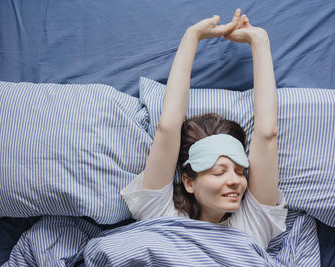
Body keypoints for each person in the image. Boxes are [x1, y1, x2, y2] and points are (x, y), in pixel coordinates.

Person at [121, 8, 288, 250]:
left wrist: (260, 41)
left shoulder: (253, 224)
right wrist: (192, 36)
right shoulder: (161, 214)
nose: (235, 181)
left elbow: (267, 134)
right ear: (189, 182)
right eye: (219, 172)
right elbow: (167, 128)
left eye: (240, 171)